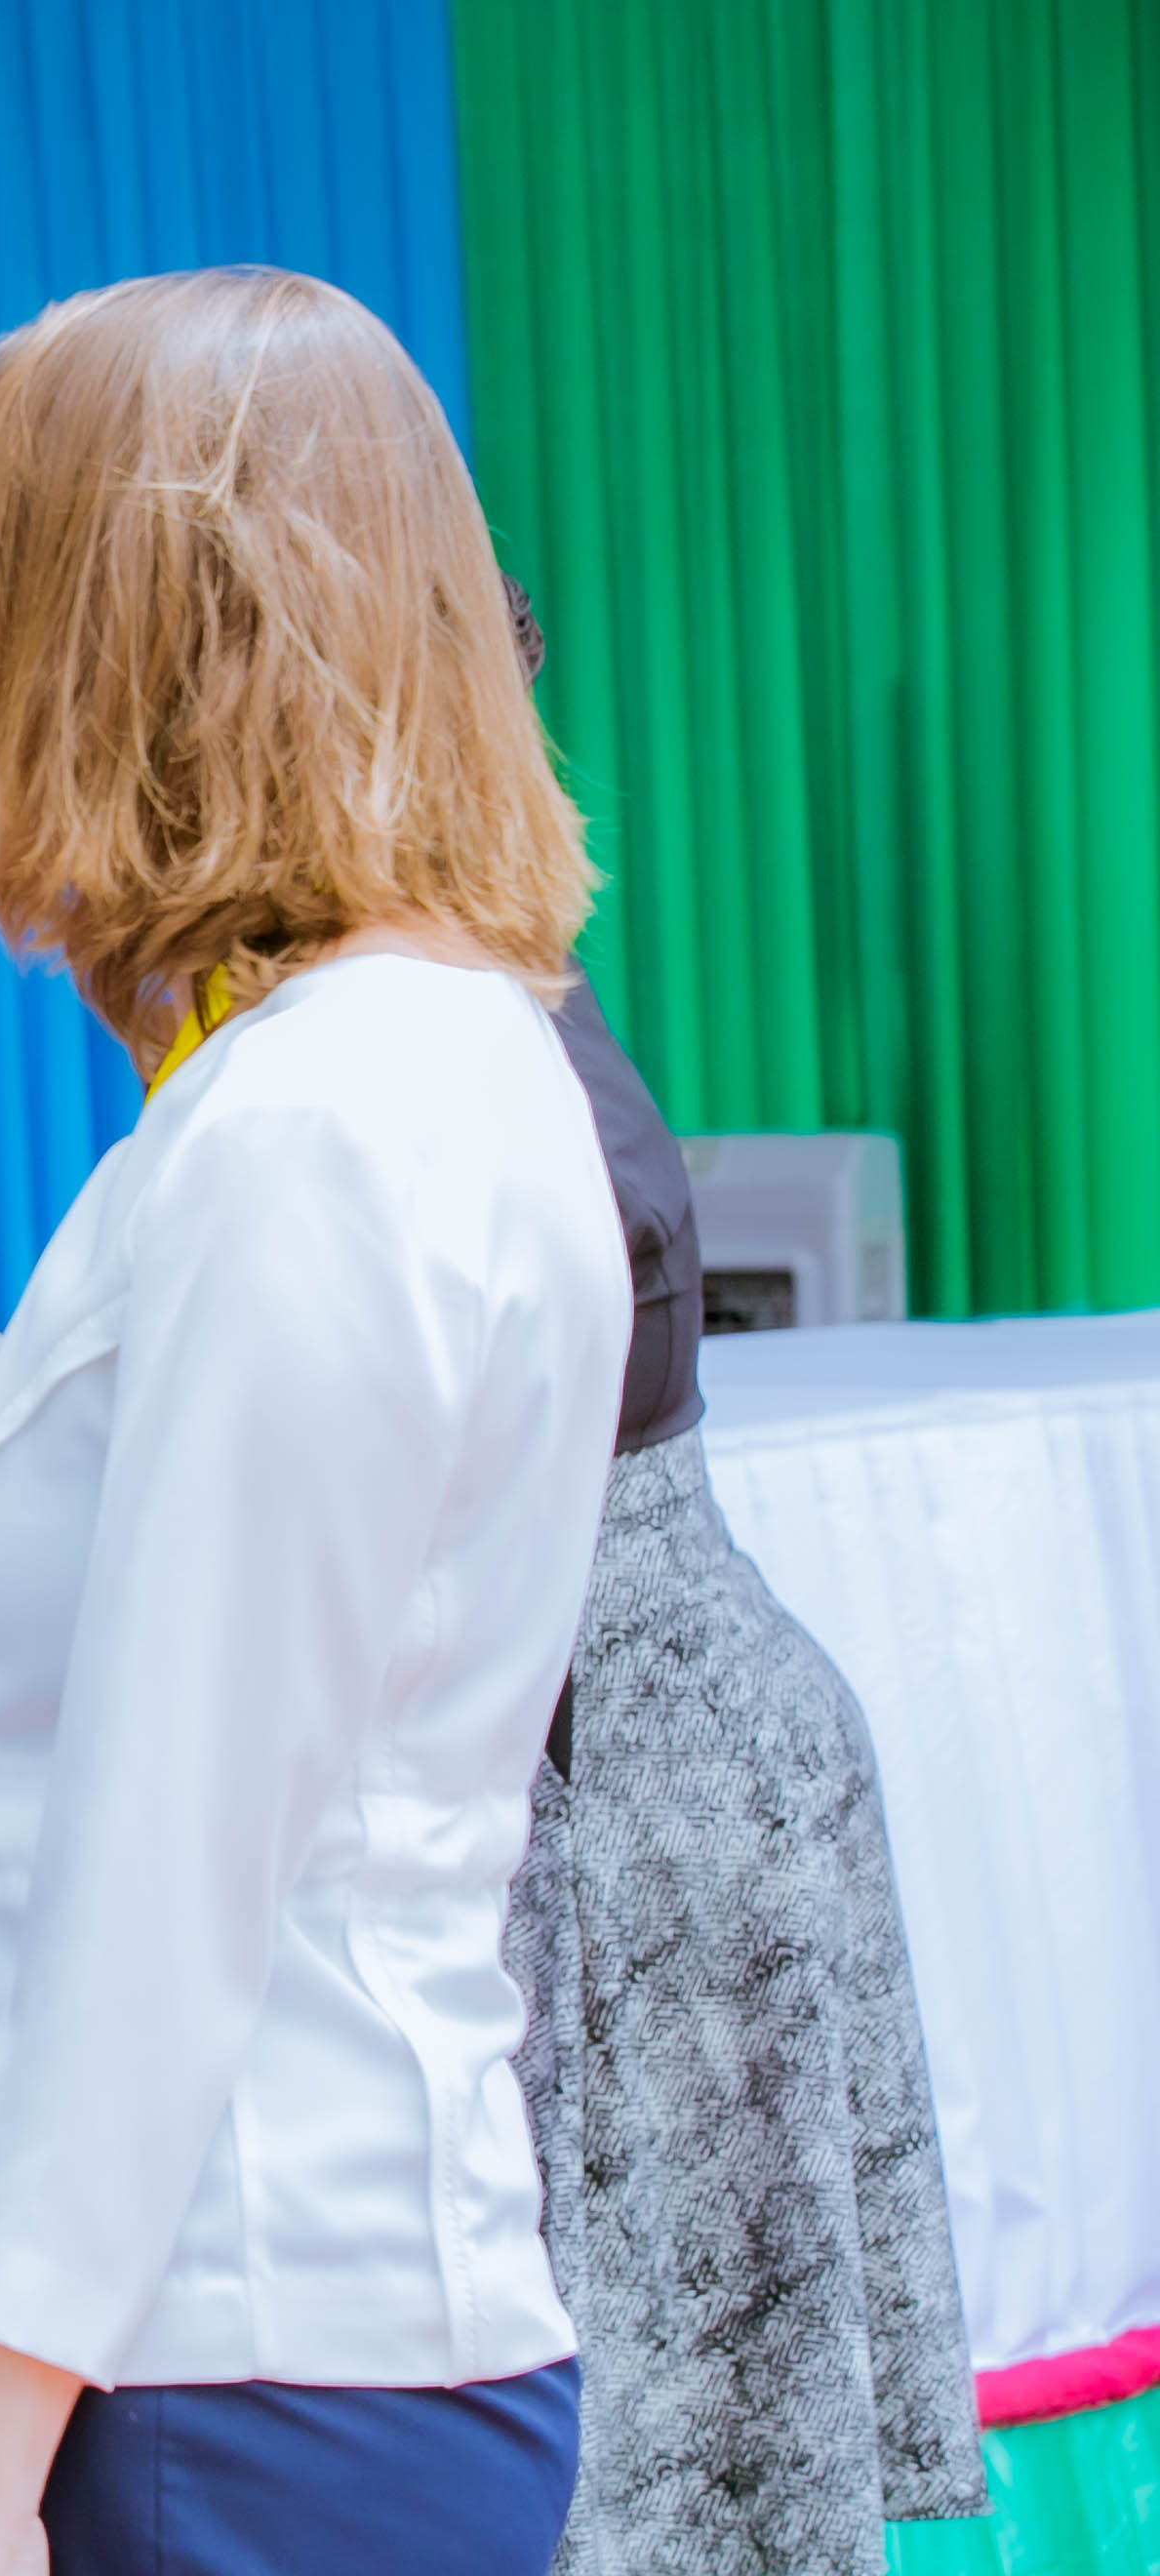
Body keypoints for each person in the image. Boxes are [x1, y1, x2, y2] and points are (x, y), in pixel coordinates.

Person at [0, 267, 623, 2576]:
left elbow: (170, 1866)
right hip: (192, 2344)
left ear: (99, 652)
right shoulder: (361, 1068)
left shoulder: (314, 1125)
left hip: (212, 2368)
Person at [495, 585, 985, 2574]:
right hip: (633, 1767)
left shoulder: (463, 1021)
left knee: (672, 2499)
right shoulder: (474, 985)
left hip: (639, 1801)